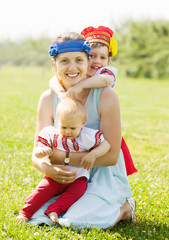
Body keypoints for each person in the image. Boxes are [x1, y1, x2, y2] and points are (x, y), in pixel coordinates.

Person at [28, 31, 136, 228]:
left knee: (76, 221)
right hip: (66, 177)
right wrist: (47, 168)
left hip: (103, 174)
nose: (72, 67)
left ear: (88, 63)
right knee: (38, 217)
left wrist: (62, 157)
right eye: (64, 61)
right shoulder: (48, 98)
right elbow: (37, 151)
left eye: (79, 60)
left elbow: (111, 156)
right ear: (54, 65)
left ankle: (124, 207)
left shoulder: (106, 96)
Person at [49, 26, 137, 176]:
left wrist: (81, 85)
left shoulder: (105, 73)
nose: (97, 61)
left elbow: (104, 80)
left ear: (109, 60)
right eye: (92, 56)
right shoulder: (76, 73)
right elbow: (53, 80)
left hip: (104, 132)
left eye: (103, 58)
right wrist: (61, 93)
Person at [16, 97, 110, 224]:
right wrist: (41, 151)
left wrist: (93, 154)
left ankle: (54, 210)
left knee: (77, 192)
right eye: (63, 126)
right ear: (57, 122)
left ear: (83, 123)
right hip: (54, 176)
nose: (67, 131)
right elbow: (38, 151)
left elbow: (106, 145)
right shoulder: (52, 135)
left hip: (77, 178)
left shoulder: (87, 136)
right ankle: (25, 213)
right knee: (41, 191)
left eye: (72, 128)